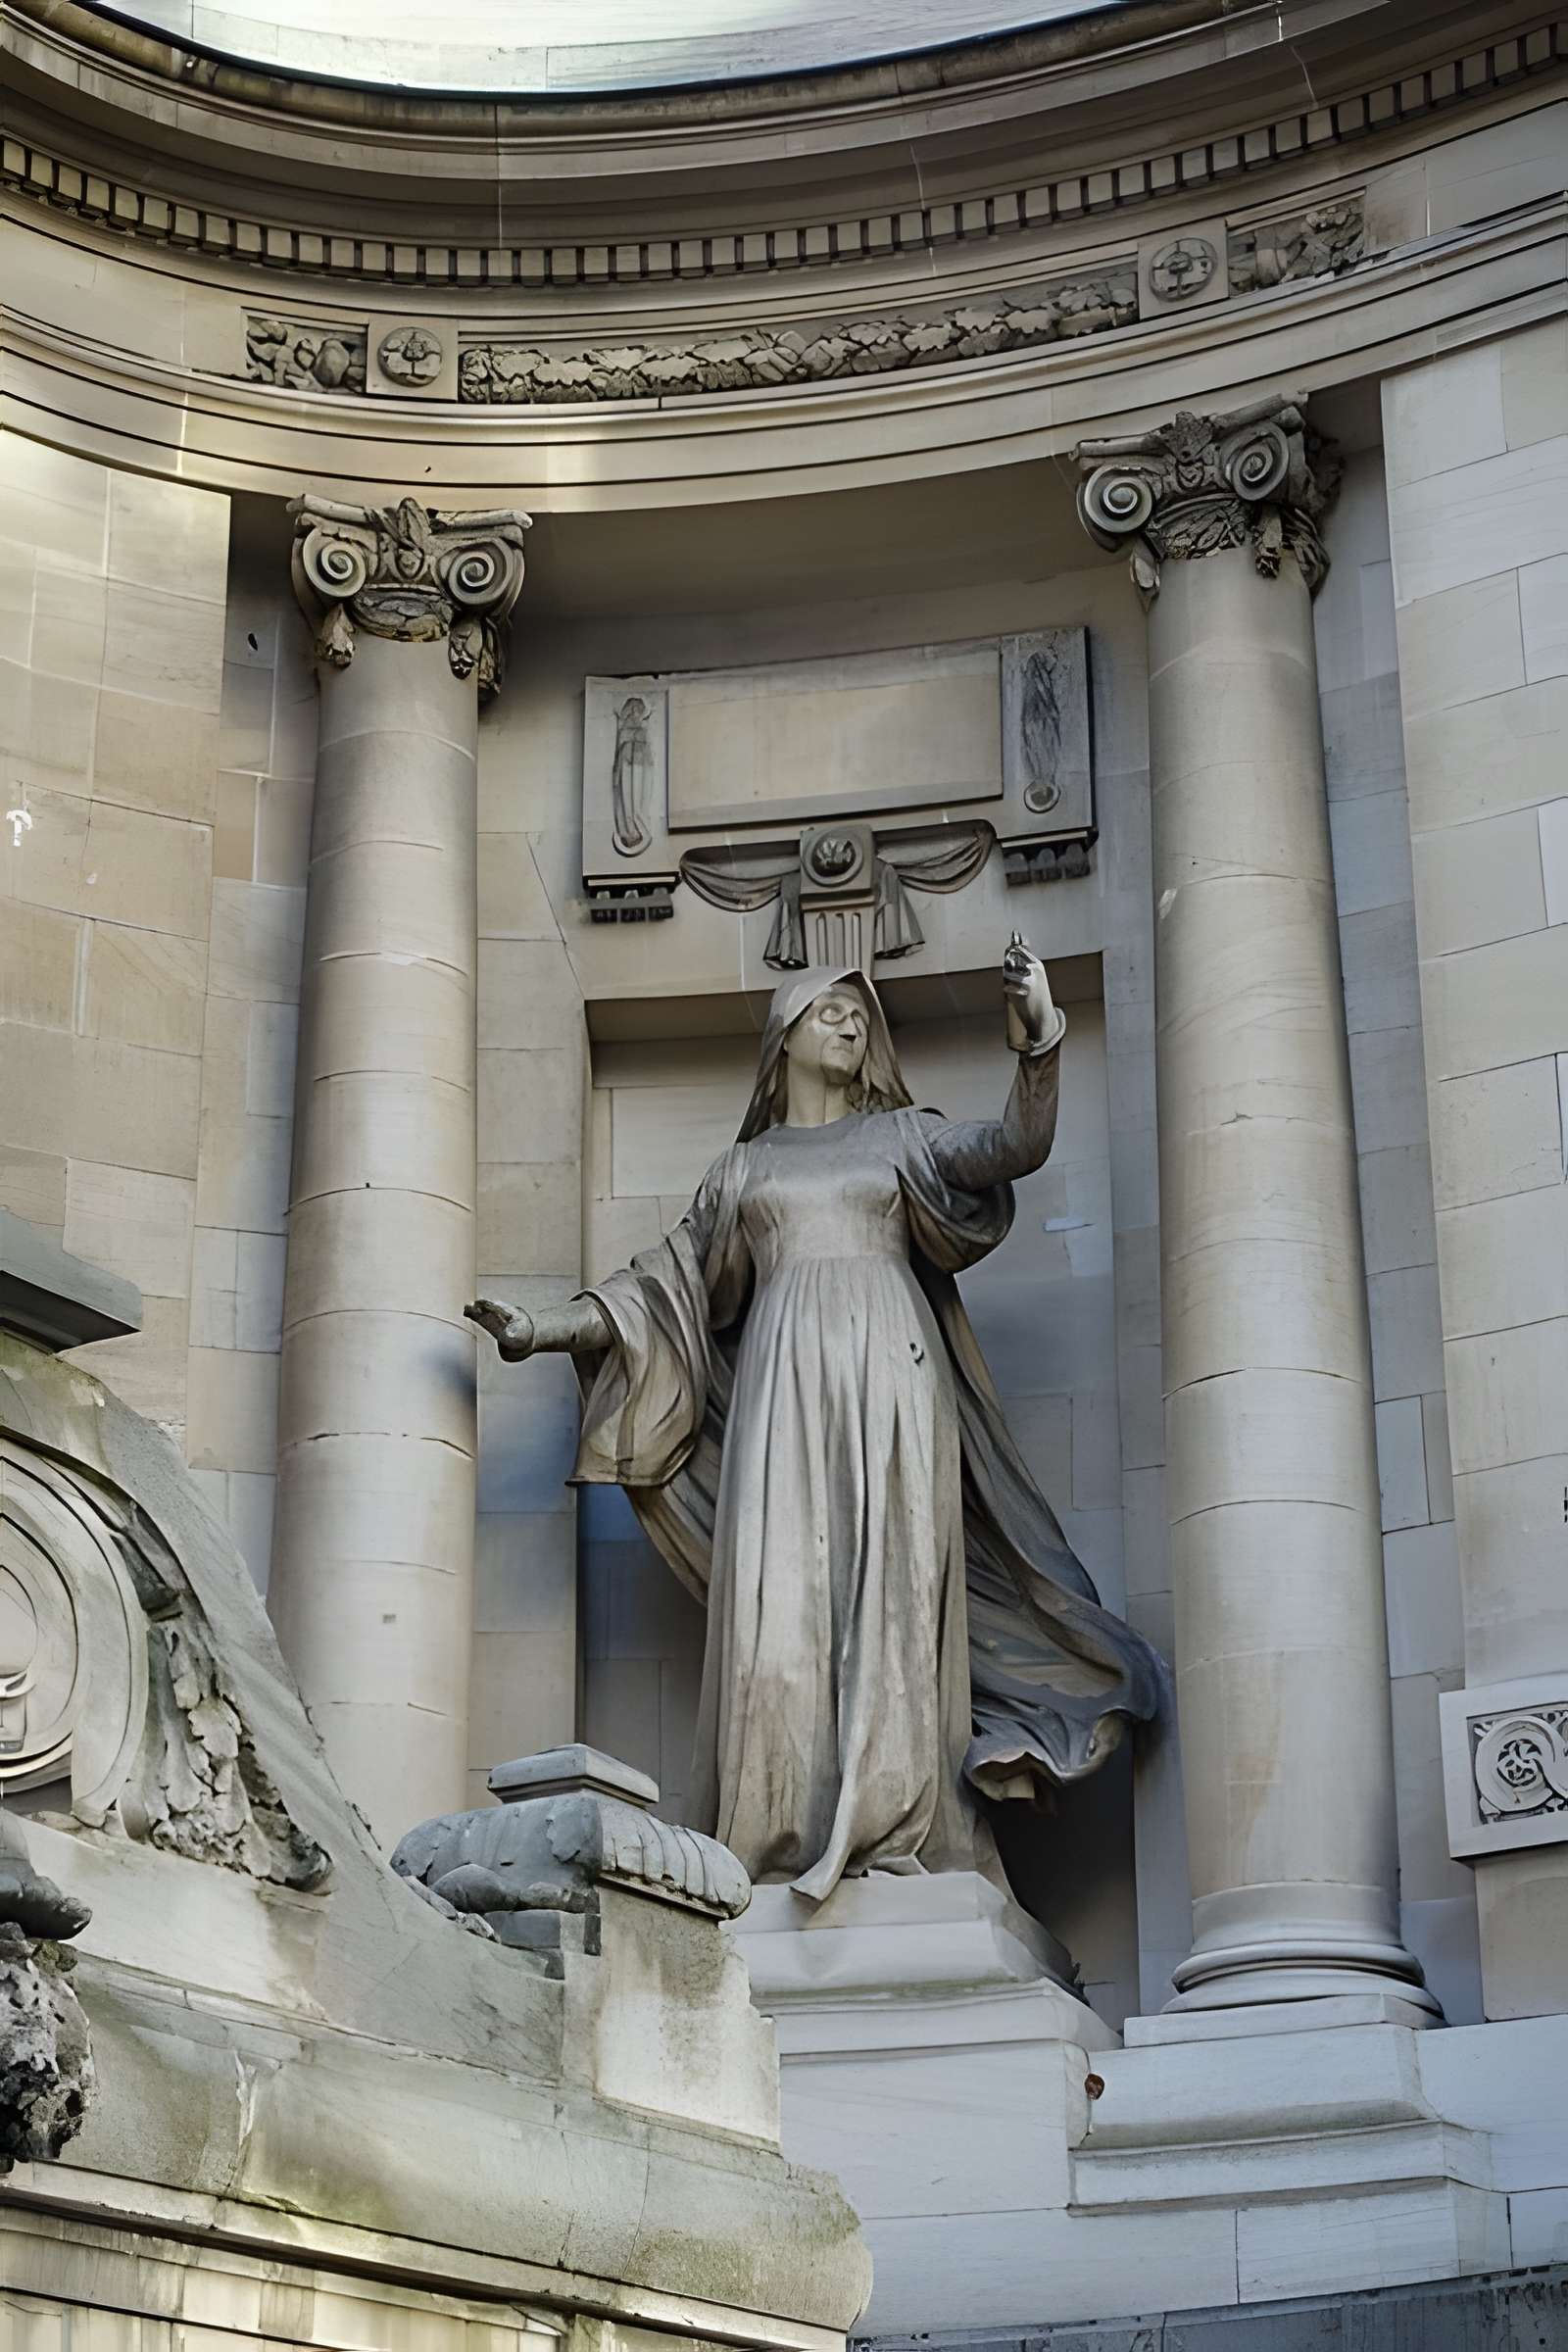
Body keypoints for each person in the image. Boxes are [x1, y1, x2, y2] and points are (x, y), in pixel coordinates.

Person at [468, 939, 1162, 1902]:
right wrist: (544, 1328)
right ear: (783, 1038)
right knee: (775, 1610)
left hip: (890, 1381)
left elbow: (1015, 1146)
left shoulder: (903, 1138)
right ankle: (774, 1833)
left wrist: (1038, 1038)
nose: (850, 1024)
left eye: (859, 1016)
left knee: (892, 1595)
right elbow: (661, 1290)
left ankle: (891, 1825)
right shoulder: (742, 1170)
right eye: (828, 1011)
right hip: (778, 1395)